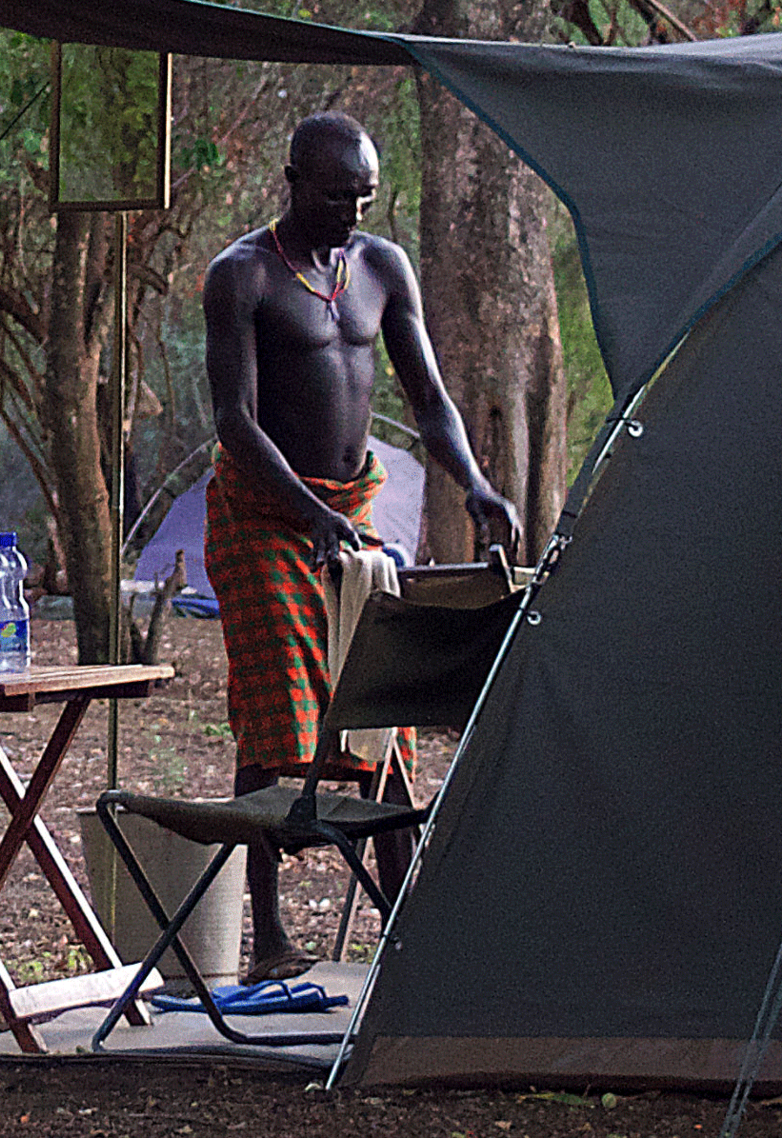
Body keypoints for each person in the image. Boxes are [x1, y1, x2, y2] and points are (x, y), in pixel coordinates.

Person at [205, 111, 521, 982]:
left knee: (380, 697)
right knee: (278, 713)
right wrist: (307, 512)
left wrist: (475, 482)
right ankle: (267, 932)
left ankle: (401, 921)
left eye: (366, 197)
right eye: (338, 194)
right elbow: (234, 420)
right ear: (293, 179)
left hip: (351, 510)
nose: (352, 211)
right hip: (266, 516)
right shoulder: (242, 277)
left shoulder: (383, 268)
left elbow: (428, 400)